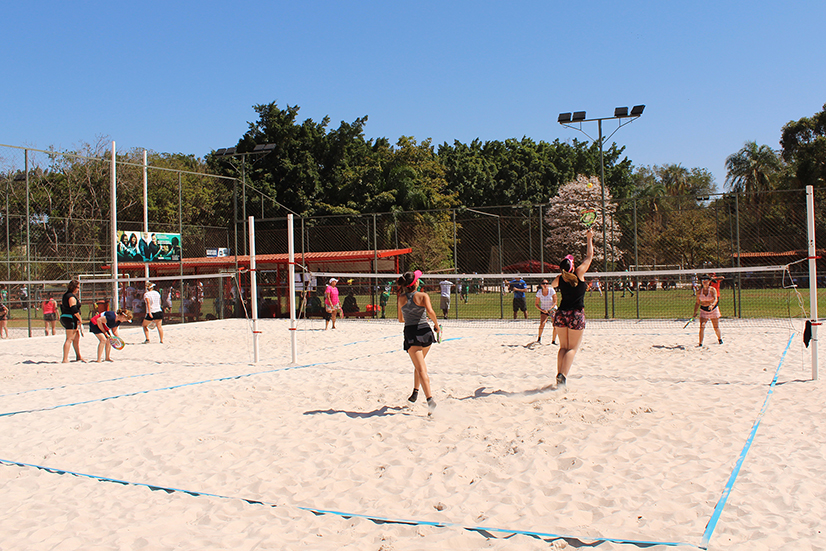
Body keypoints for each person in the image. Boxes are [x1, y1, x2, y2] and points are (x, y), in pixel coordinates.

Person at [551, 228, 594, 390]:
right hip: (576, 314)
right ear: (572, 266)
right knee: (572, 349)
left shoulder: (560, 278)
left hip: (561, 314)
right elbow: (589, 256)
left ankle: (559, 375)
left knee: (563, 347)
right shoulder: (579, 273)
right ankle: (563, 376)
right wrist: (589, 238)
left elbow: (553, 285)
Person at [396, 270, 440, 414]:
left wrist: (410, 316)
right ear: (415, 283)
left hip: (411, 333)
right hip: (425, 332)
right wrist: (437, 326)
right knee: (419, 365)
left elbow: (401, 319)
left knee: (421, 368)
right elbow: (431, 312)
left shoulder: (401, 298)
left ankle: (430, 400)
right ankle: (415, 392)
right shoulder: (423, 295)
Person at [60, 279, 85, 363]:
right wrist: (79, 318)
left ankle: (78, 356)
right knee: (69, 339)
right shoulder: (70, 296)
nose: (78, 289)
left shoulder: (67, 295)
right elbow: (73, 309)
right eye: (77, 287)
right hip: (69, 318)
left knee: (76, 337)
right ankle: (65, 359)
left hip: (67, 317)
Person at [693, 275, 723, 346]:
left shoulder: (712, 290)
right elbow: (697, 302)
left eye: (706, 280)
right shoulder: (699, 291)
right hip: (703, 310)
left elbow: (716, 299)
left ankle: (719, 339)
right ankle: (700, 343)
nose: (705, 281)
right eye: (703, 280)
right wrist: (694, 312)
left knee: (716, 327)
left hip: (713, 310)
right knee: (702, 326)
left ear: (709, 281)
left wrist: (712, 305)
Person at [534, 279, 558, 345]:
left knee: (555, 325)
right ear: (541, 285)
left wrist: (550, 309)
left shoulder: (551, 290)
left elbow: (555, 302)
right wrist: (542, 310)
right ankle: (539, 338)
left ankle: (553, 341)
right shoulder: (539, 292)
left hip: (552, 309)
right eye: (543, 283)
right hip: (544, 309)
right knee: (542, 323)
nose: (545, 285)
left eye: (546, 283)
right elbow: (536, 304)